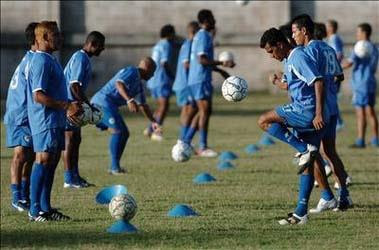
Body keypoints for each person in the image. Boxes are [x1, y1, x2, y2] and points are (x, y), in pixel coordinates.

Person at [259, 27, 328, 225]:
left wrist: (318, 113)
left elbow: (318, 81)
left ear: (280, 44)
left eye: (271, 51)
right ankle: (300, 213)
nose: (271, 56)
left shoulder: (298, 57)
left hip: (306, 112)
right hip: (312, 116)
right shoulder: (289, 59)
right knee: (308, 164)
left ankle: (302, 149)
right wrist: (277, 81)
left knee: (263, 120)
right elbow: (290, 85)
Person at [291, 14, 352, 212]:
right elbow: (339, 76)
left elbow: (312, 81)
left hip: (320, 110)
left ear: (304, 31)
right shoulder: (329, 48)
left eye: (295, 32)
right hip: (333, 108)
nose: (293, 37)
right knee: (330, 152)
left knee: (312, 154)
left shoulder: (308, 51)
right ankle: (344, 195)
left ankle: (326, 197)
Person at [27, 21, 82, 221]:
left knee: (51, 161)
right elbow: (38, 96)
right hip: (44, 120)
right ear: (42, 39)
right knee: (42, 159)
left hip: (56, 119)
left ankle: (45, 208)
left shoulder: (51, 59)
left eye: (59, 34)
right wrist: (66, 106)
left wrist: (71, 104)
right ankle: (34, 211)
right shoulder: (41, 61)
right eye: (55, 35)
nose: (60, 38)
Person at [91, 58, 161, 175]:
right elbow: (119, 83)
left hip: (108, 105)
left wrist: (153, 122)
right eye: (153, 72)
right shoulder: (132, 71)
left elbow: (143, 106)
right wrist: (129, 100)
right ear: (147, 68)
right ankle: (114, 168)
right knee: (119, 131)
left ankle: (115, 166)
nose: (153, 75)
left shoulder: (138, 85)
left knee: (123, 132)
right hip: (102, 103)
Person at [182, 9, 234, 157]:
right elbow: (202, 60)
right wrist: (223, 63)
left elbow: (202, 61)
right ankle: (202, 146)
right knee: (204, 111)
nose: (214, 21)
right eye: (212, 18)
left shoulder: (199, 36)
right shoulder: (204, 36)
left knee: (204, 111)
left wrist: (220, 70)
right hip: (200, 79)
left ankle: (185, 141)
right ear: (205, 21)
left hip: (196, 79)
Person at [62, 31, 105, 188]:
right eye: (101, 46)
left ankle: (75, 176)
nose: (103, 49)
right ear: (92, 44)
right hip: (70, 105)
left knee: (76, 140)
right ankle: (69, 179)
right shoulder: (81, 58)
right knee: (70, 141)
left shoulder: (83, 57)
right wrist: (87, 104)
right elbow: (74, 85)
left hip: (74, 104)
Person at [4, 22, 38, 212]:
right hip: (20, 114)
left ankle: (25, 195)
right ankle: (17, 197)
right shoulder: (32, 61)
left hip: (28, 115)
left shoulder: (34, 58)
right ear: (36, 39)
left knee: (31, 155)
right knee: (20, 155)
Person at [342, 23, 378, 148]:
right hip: (371, 81)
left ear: (364, 33)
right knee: (371, 111)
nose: (356, 34)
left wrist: (336, 67)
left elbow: (349, 63)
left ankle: (360, 140)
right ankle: (375, 139)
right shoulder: (374, 47)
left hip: (360, 83)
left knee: (360, 112)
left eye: (358, 32)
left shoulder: (359, 47)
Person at [144, 24, 176, 141]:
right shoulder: (166, 45)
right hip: (162, 79)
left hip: (153, 80)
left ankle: (150, 129)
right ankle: (156, 132)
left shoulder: (157, 45)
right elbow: (164, 63)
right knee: (164, 106)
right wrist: (173, 76)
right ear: (170, 34)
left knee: (160, 106)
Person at [172, 21, 200, 142]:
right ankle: (183, 140)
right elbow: (186, 64)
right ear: (194, 32)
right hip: (185, 84)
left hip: (182, 83)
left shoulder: (186, 44)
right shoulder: (189, 44)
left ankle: (183, 138)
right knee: (191, 110)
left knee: (186, 110)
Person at [326, 19, 345, 130]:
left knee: (332, 96)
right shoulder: (330, 39)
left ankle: (338, 122)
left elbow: (339, 54)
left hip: (333, 73)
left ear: (332, 28)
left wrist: (334, 69)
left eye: (328, 26)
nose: (326, 29)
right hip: (333, 72)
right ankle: (338, 121)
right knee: (331, 97)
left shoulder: (334, 38)